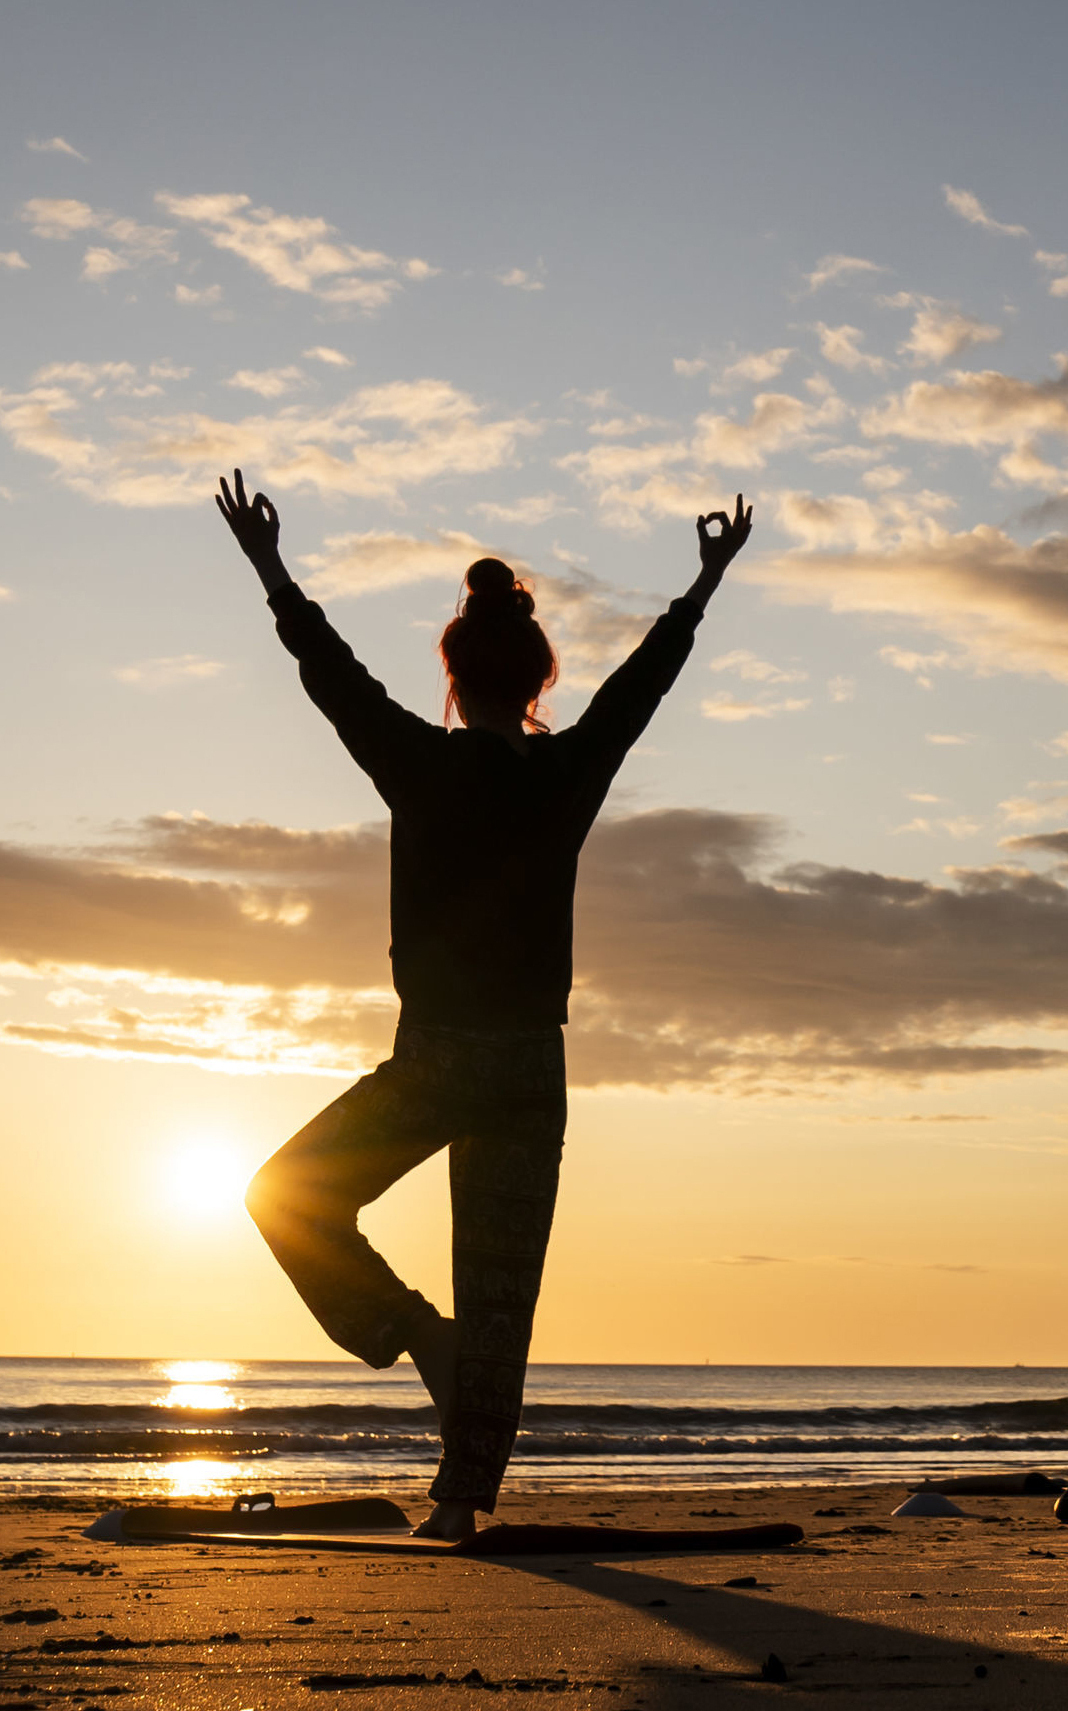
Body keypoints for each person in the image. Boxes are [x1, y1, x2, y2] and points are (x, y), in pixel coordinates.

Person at [216, 469, 752, 1541]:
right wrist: (703, 584)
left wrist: (269, 564)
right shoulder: (565, 773)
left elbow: (333, 676)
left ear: (455, 677)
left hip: (444, 1055)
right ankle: (458, 1506)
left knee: (286, 1197)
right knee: (500, 1294)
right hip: (527, 1065)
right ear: (540, 677)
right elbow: (640, 689)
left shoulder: (419, 761)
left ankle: (416, 1332)